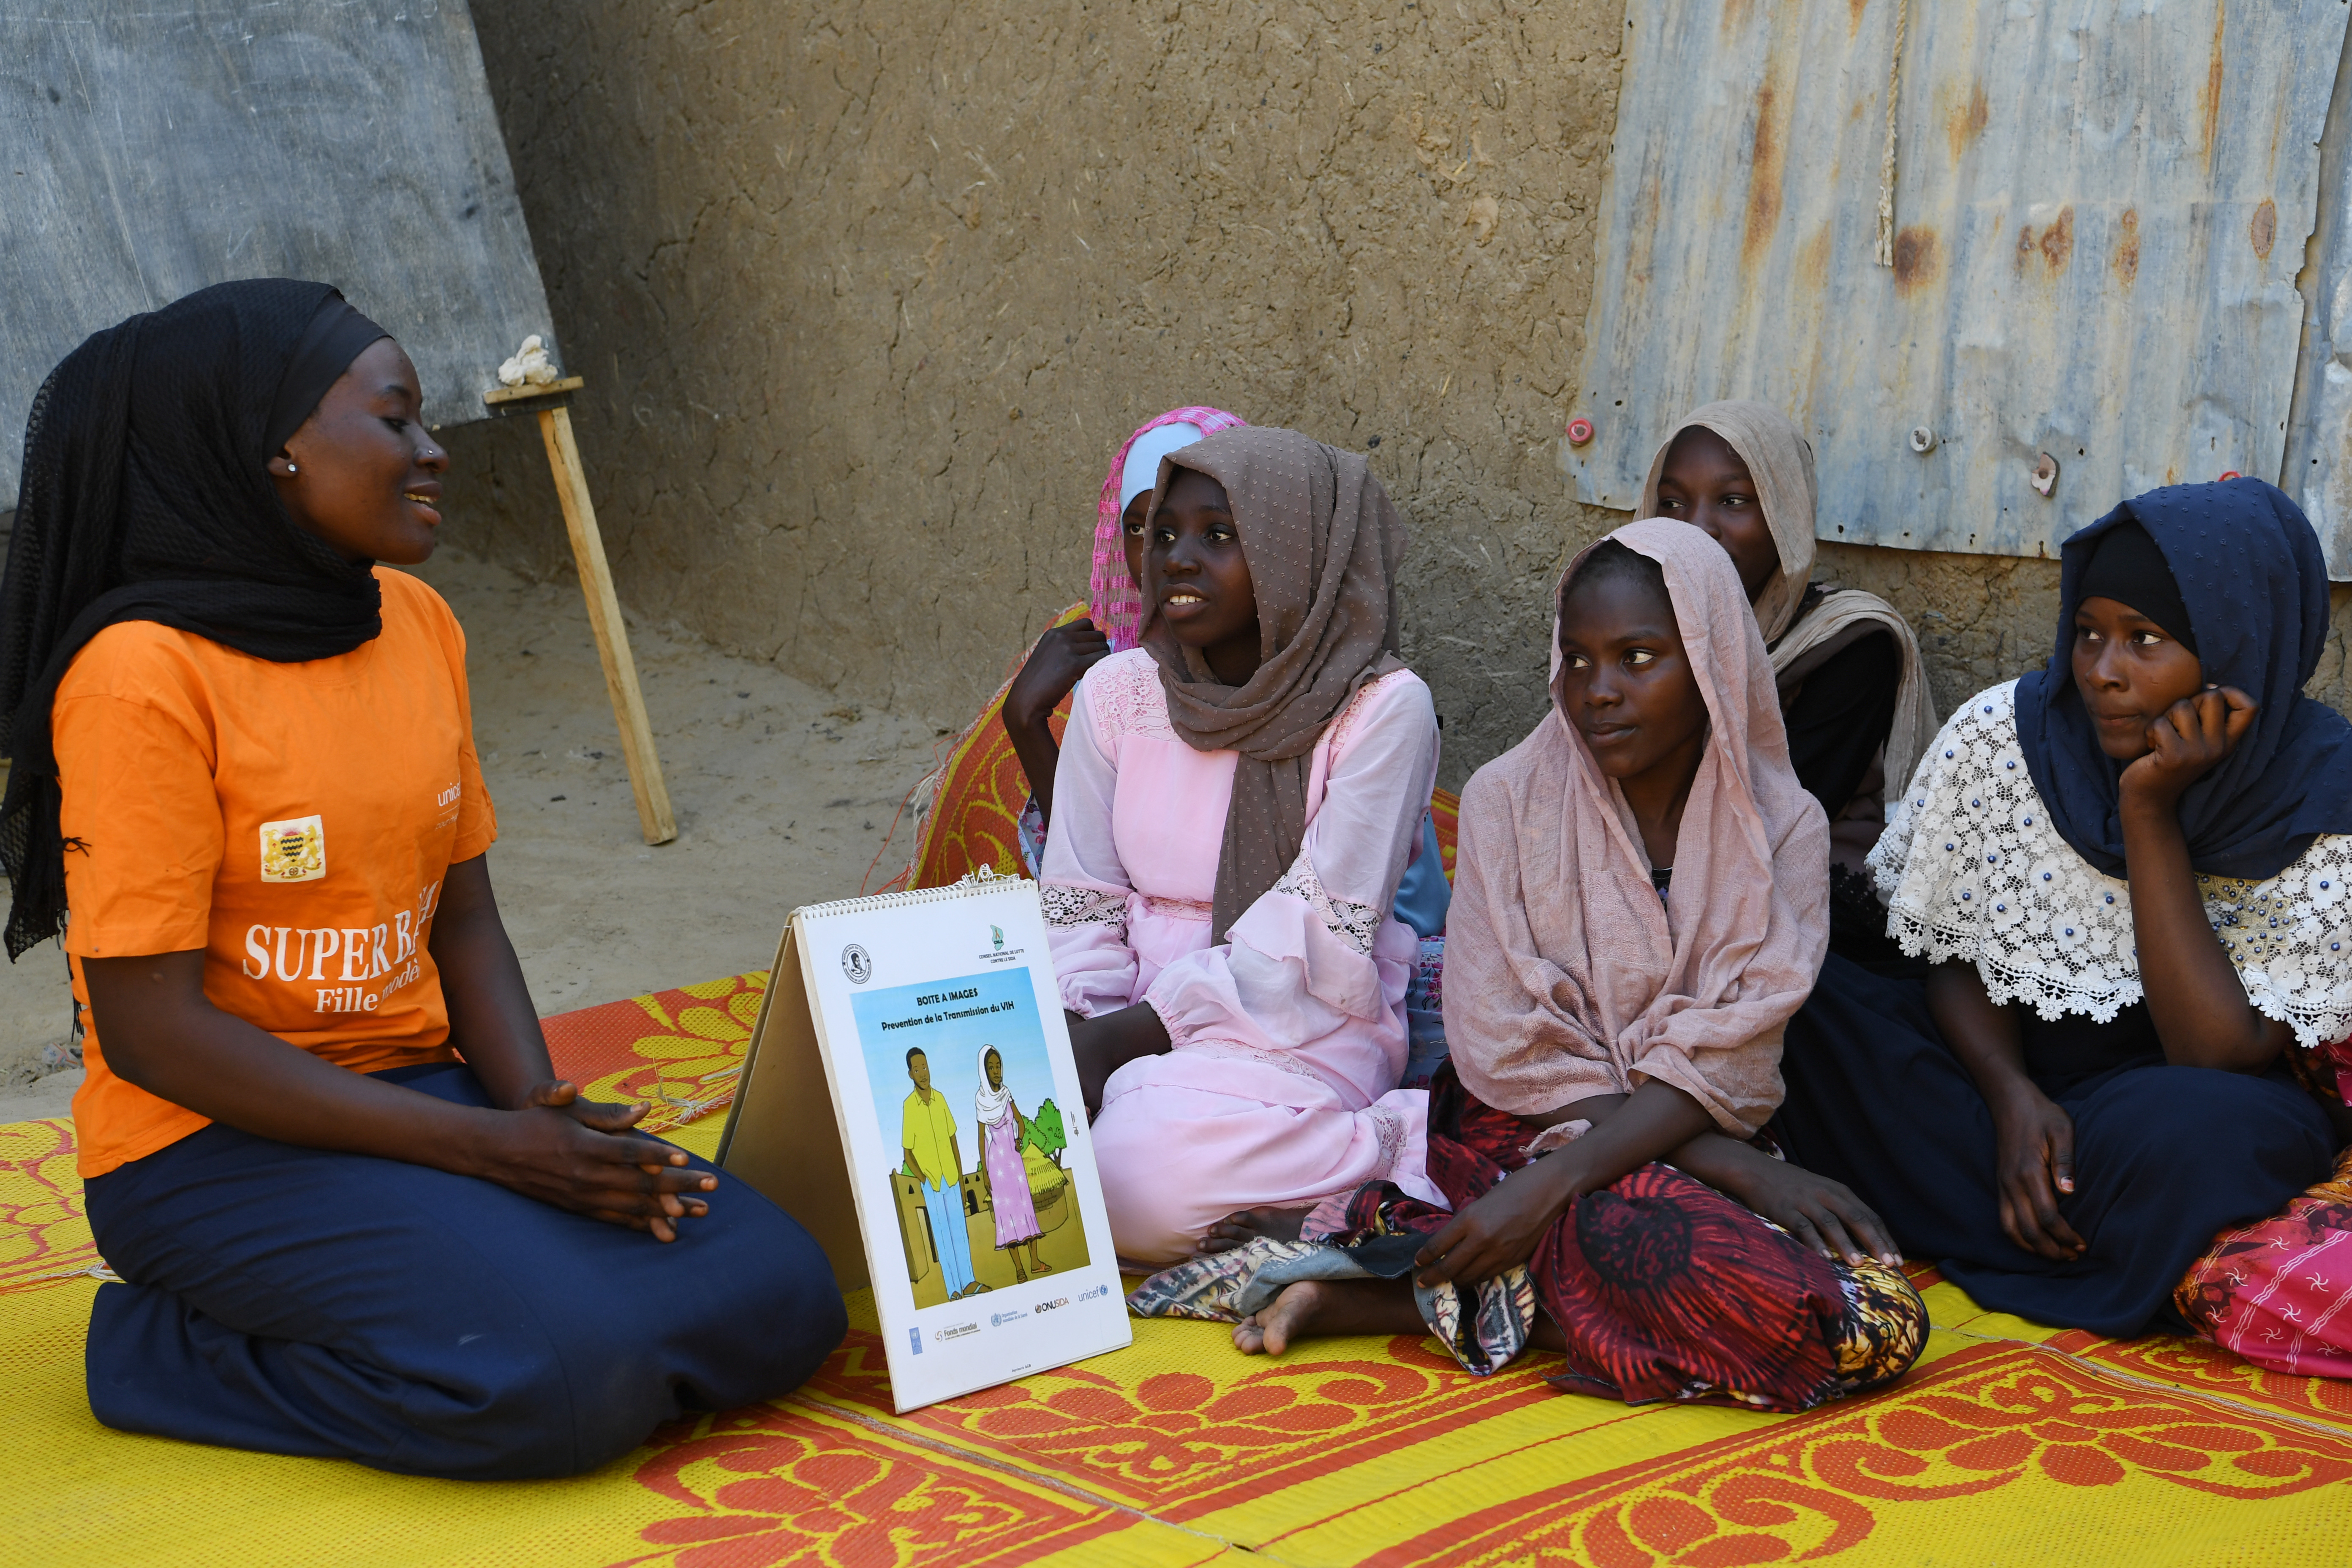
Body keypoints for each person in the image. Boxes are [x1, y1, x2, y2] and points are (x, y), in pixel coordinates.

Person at [0, 280, 844, 1480]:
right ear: (274, 454)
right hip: (206, 1150)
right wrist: (494, 1158)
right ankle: (149, 1348)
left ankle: (492, 1251)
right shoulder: (141, 676)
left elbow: (467, 922)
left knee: (782, 1296)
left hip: (419, 1101)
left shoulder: (414, 620)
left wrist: (535, 1110)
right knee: (556, 1385)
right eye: (395, 420)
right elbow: (149, 1035)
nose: (433, 449)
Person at [1129, 523, 1925, 1412]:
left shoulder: (1784, 824)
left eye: (1638, 657)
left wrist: (1693, 1165)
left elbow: (1735, 1041)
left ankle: (1404, 1271)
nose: (1601, 691)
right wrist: (1590, 1177)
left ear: (1713, 662)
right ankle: (1443, 1262)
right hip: (1525, 1129)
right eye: (1578, 660)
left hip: (1682, 1133)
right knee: (1764, 1304)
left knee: (1878, 1321)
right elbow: (1509, 1043)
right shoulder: (1510, 799)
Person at [1774, 480, 2349, 1338]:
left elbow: (2218, 1053)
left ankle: (1962, 1207)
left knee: (2221, 1140)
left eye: (2144, 640)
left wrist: (2148, 812)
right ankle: (2068, 1222)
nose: (2103, 673)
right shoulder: (2007, 734)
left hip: (2146, 1106)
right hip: (1983, 1077)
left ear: (2240, 644)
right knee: (1797, 994)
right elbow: (1956, 957)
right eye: (2088, 633)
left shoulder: (2318, 797)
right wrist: (2011, 1099)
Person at [1040, 425, 1444, 1265]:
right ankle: (1148, 1118)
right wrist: (1080, 1027)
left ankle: (1396, 1145)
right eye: (1164, 535)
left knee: (1131, 1183)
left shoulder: (1383, 710)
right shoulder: (1115, 694)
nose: (1177, 559)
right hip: (1123, 1015)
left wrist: (1125, 1043)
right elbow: (1080, 897)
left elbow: (1314, 932)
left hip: (1297, 1023)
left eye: (1220, 535)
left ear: (1302, 555)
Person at [1642, 402, 1934, 967]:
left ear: (1786, 514)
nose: (1697, 527)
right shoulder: (1630, 635)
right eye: (1672, 503)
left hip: (1802, 903)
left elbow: (1779, 819)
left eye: (1733, 502)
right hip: (1659, 881)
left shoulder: (1850, 642)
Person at [902, 1046, 978, 1298]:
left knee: (960, 1232)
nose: (923, 1073)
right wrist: (923, 1179)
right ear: (910, 1074)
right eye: (917, 1069)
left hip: (952, 1178)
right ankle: (954, 1290)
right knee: (943, 1237)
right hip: (931, 1183)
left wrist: (960, 1174)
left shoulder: (941, 1099)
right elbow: (908, 1154)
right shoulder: (909, 1107)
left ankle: (969, 1283)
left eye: (925, 1067)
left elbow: (953, 1138)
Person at [975, 1046, 1049, 1281]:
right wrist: (986, 1174)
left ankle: (1035, 1262)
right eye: (991, 1068)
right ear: (984, 1071)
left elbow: (1021, 1121)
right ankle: (1019, 1269)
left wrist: (1018, 1139)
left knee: (1024, 1209)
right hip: (996, 1165)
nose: (996, 1072)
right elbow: (980, 1138)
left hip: (1014, 1162)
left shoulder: (1006, 1093)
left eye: (998, 1066)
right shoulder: (980, 1100)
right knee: (1007, 1216)